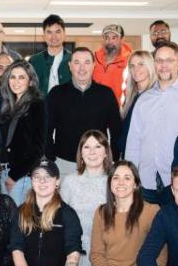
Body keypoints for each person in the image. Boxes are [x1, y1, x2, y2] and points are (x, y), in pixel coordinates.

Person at [125, 40, 178, 203]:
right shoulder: (144, 99)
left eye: (169, 60)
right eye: (159, 60)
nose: (163, 65)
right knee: (145, 228)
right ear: (154, 64)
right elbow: (134, 142)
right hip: (146, 181)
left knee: (176, 228)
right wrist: (131, 176)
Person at [45, 46, 122, 177]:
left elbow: (117, 130)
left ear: (93, 65)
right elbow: (46, 128)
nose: (82, 68)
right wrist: (51, 156)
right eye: (77, 63)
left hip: (98, 163)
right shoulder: (56, 93)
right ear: (70, 66)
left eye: (87, 62)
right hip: (64, 164)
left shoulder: (106, 93)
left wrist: (112, 157)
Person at [60, 130, 113, 266]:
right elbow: (61, 220)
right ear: (80, 153)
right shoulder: (70, 182)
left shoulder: (113, 182)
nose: (92, 152)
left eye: (98, 146)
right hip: (76, 251)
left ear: (106, 151)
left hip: (103, 251)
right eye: (87, 147)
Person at [0, 61, 46, 205]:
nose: (16, 82)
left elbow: (38, 148)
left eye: (21, 77)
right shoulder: (7, 105)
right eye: (12, 77)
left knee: (18, 222)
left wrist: (14, 176)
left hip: (21, 175)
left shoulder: (37, 104)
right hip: (4, 172)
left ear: (30, 81)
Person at [115, 50, 157, 158]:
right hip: (127, 155)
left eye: (141, 64)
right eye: (132, 66)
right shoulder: (130, 97)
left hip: (145, 158)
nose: (136, 69)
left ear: (150, 66)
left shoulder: (155, 97)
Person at [26, 14, 71, 94]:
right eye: (49, 32)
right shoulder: (34, 61)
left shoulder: (73, 59)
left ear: (64, 34)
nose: (54, 36)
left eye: (58, 31)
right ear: (43, 36)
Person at [92, 23, 133, 108]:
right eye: (107, 38)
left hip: (119, 111)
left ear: (122, 39)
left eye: (114, 38)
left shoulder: (131, 60)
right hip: (95, 109)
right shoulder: (93, 59)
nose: (110, 41)